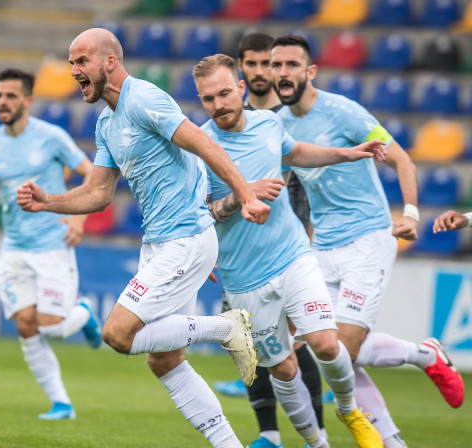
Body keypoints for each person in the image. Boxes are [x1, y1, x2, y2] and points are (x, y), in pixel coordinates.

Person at [18, 28, 270, 448]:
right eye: (71, 62)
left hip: (185, 237)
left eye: (82, 61)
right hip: (162, 243)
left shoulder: (146, 99)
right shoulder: (105, 123)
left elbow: (203, 142)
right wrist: (48, 203)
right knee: (164, 360)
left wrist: (245, 195)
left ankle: (224, 328)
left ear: (109, 63)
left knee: (117, 334)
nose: (74, 70)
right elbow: (98, 193)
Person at [269, 34, 465, 448]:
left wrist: (410, 214)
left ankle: (424, 356)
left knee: (342, 349)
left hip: (368, 239)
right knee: (331, 352)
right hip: (322, 248)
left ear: (310, 71)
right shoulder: (278, 126)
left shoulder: (344, 112)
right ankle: (393, 440)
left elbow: (401, 159)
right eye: (276, 65)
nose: (282, 73)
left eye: (290, 65)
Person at [195, 53, 387, 448]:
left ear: (242, 88)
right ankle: (318, 444)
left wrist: (348, 154)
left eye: (225, 93)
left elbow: (296, 152)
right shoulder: (197, 146)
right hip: (242, 278)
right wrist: (240, 197)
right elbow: (199, 216)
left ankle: (350, 410)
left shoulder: (268, 122)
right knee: (282, 369)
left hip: (293, 255)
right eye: (208, 99)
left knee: (325, 344)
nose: (219, 105)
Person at [0, 68, 102, 420]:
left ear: (28, 101)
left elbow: (93, 176)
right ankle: (61, 403)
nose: (3, 102)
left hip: (52, 245)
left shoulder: (51, 137)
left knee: (52, 327)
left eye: (11, 96)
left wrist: (78, 218)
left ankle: (85, 313)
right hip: (14, 249)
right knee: (26, 325)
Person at [213, 33, 327, 448]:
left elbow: (309, 178)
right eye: (254, 63)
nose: (263, 71)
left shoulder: (283, 116)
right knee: (246, 345)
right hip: (239, 252)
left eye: (269, 63)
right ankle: (268, 433)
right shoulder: (220, 124)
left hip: (287, 247)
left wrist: (310, 238)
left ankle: (320, 432)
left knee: (298, 344)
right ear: (241, 70)